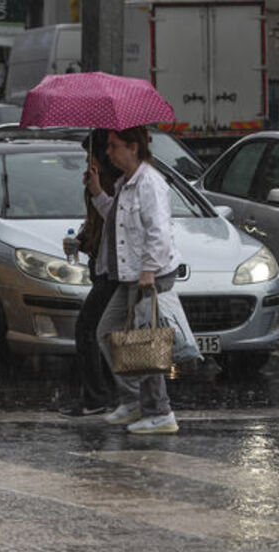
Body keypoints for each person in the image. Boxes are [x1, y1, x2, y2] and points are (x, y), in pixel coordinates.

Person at [86, 126, 183, 435]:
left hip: (147, 277)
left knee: (145, 344)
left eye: (114, 146)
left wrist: (149, 270)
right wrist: (97, 192)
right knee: (107, 333)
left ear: (133, 147)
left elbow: (160, 231)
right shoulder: (125, 183)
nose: (109, 152)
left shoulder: (149, 183)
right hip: (129, 277)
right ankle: (133, 400)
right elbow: (116, 220)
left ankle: (160, 412)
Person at [60, 129, 121, 417]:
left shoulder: (118, 185)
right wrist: (81, 240)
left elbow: (118, 222)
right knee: (101, 332)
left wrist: (97, 191)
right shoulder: (98, 184)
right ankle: (110, 396)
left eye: (91, 155)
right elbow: (97, 224)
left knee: (89, 329)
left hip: (115, 271)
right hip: (101, 265)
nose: (88, 161)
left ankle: (97, 397)